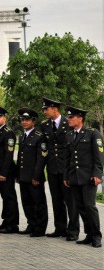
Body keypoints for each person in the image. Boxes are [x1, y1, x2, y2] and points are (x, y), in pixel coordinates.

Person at [63, 106, 102, 248]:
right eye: (68, 117)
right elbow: (68, 158)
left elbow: (99, 156)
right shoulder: (69, 135)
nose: (68, 119)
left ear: (80, 118)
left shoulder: (93, 133)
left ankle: (97, 236)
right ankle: (89, 234)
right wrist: (66, 176)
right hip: (74, 177)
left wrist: (98, 174)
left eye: (71, 117)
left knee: (90, 206)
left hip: (89, 177)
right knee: (80, 207)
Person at [40, 97, 79, 240]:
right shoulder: (45, 125)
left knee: (70, 201)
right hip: (52, 168)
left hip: (66, 169)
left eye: (46, 109)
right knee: (56, 200)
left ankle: (73, 230)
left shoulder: (67, 123)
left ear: (55, 109)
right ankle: (60, 228)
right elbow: (45, 148)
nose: (44, 111)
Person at [16, 108, 49, 237]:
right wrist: (18, 174)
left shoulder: (39, 136)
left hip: (34, 177)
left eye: (27, 120)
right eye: (22, 120)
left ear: (33, 121)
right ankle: (31, 224)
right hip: (23, 176)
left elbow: (41, 158)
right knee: (27, 202)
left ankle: (40, 228)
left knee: (38, 203)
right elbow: (20, 156)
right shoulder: (22, 135)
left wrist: (36, 176)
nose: (24, 122)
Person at [0, 106, 20, 234]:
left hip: (6, 171)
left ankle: (12, 224)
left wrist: (3, 172)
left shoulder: (8, 133)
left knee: (9, 197)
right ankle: (6, 220)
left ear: (4, 118)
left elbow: (9, 154)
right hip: (0, 170)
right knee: (5, 197)